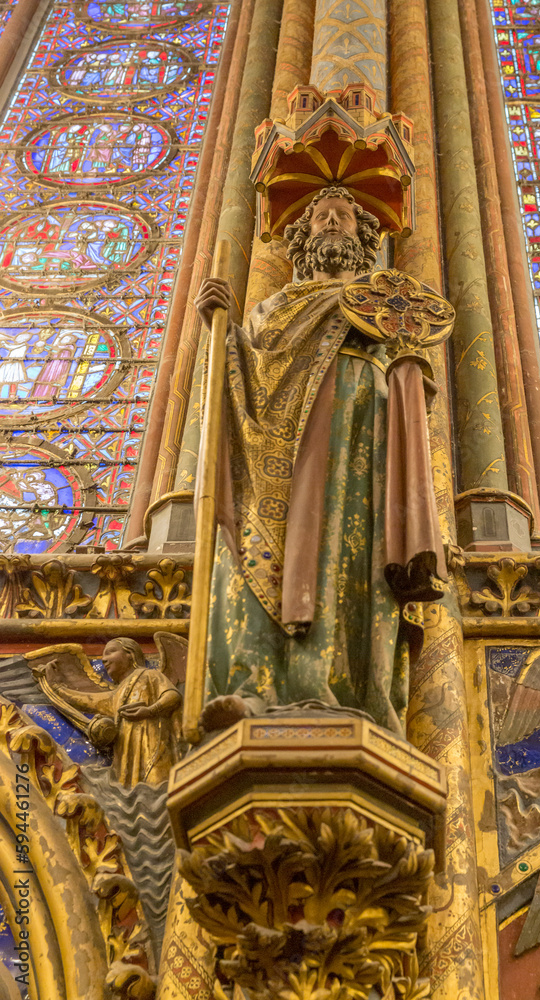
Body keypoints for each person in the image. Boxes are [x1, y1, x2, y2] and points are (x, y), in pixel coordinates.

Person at [194, 185, 446, 735]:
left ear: (364, 238)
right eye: (321, 217)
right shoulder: (273, 305)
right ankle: (253, 685)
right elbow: (246, 375)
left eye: (343, 217)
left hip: (360, 434)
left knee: (347, 552)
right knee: (266, 548)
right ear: (302, 239)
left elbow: (414, 374)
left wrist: (405, 364)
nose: (331, 222)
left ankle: (349, 690)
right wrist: (220, 330)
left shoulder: (381, 298)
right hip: (281, 448)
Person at [42, 637, 182, 786]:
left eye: (111, 652)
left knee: (156, 783)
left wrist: (150, 711)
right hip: (127, 751)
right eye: (103, 656)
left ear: (130, 654)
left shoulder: (149, 675)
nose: (104, 660)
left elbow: (172, 696)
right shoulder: (118, 692)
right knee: (130, 787)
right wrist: (57, 688)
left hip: (152, 742)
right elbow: (88, 700)